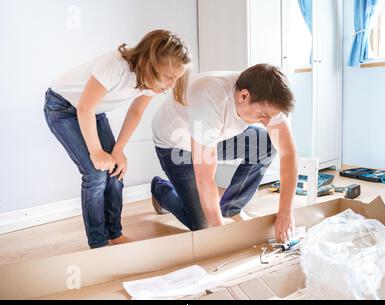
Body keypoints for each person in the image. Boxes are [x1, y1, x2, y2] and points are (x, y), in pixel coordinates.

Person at [44, 30, 191, 249]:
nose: (171, 85)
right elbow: (84, 107)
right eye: (169, 78)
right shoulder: (114, 66)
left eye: (176, 79)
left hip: (93, 111)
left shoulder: (151, 82)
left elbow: (135, 113)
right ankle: (98, 243)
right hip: (63, 108)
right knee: (95, 174)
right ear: (149, 63)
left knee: (116, 170)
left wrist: (118, 150)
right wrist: (96, 151)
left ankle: (114, 233)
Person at [151, 64, 298, 242]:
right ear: (244, 95)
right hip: (175, 144)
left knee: (267, 144)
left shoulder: (268, 100)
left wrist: (285, 212)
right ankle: (161, 189)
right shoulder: (209, 99)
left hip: (212, 137)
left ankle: (231, 207)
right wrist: (220, 233)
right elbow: (205, 177)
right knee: (204, 226)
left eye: (270, 117)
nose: (266, 122)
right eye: (262, 115)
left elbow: (288, 153)